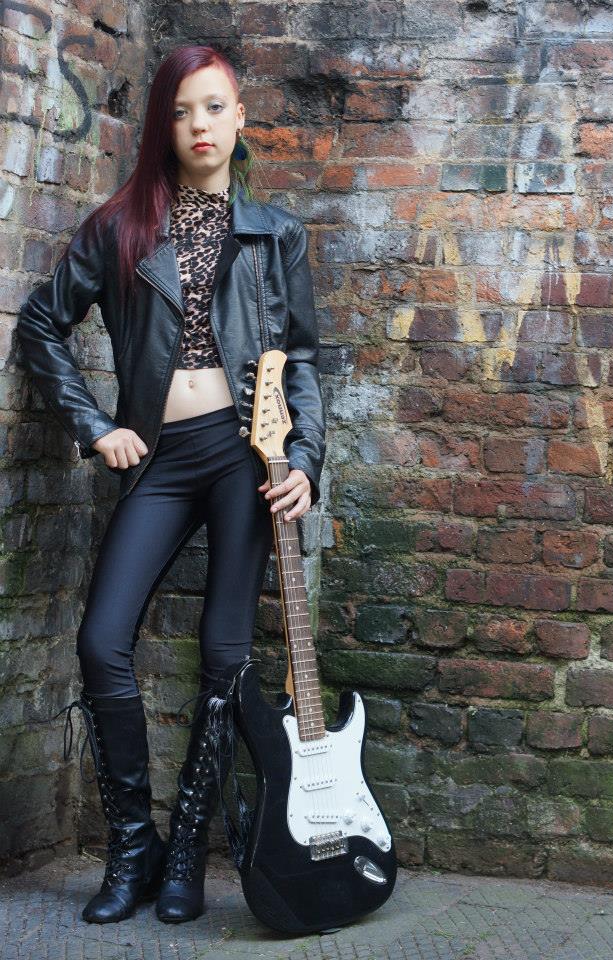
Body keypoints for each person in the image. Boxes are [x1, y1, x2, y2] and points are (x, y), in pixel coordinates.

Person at [17, 44, 326, 926]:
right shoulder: (121, 227)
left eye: (215, 107)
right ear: (164, 124)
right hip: (156, 455)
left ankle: (187, 847)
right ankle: (134, 848)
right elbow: (41, 323)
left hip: (244, 455)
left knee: (225, 656)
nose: (199, 125)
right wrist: (95, 424)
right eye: (183, 110)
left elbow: (303, 359)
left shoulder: (275, 234)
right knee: (101, 642)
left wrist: (305, 462)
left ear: (239, 118)